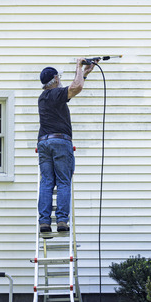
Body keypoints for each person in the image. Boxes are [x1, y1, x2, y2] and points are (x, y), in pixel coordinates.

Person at [37, 58, 95, 233]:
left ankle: (44, 222)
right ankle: (62, 221)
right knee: (63, 181)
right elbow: (75, 88)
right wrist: (78, 66)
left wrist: (84, 73)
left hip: (44, 143)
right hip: (60, 142)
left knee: (47, 182)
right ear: (55, 79)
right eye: (59, 78)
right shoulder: (56, 94)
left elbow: (73, 87)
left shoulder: (44, 97)